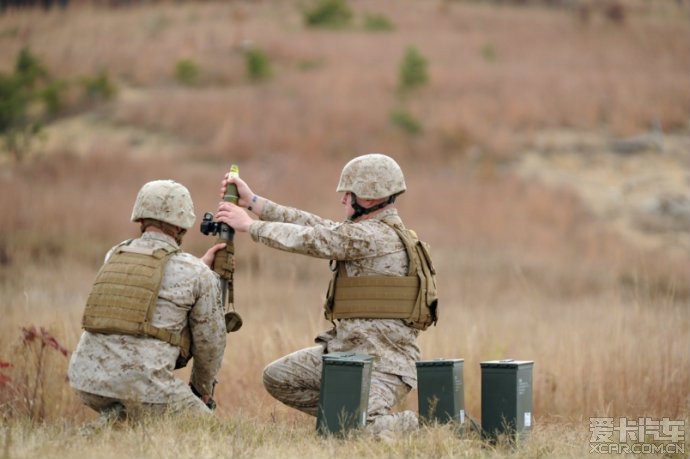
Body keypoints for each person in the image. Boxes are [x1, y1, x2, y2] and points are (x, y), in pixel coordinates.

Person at [215, 154, 438, 436]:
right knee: (278, 378)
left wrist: (250, 226)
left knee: (354, 430)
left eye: (348, 194)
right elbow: (317, 225)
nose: (343, 200)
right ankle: (343, 416)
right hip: (346, 355)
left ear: (368, 198)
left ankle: (433, 427)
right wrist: (255, 203)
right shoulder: (369, 231)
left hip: (383, 365)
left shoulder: (375, 237)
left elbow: (316, 239)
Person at [69, 179, 228, 423]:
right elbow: (211, 343)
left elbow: (153, 282)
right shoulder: (198, 274)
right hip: (148, 391)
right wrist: (200, 391)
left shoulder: (115, 254)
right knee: (214, 431)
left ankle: (114, 420)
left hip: (86, 381)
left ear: (140, 219)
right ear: (181, 226)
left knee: (127, 417)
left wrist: (200, 267)